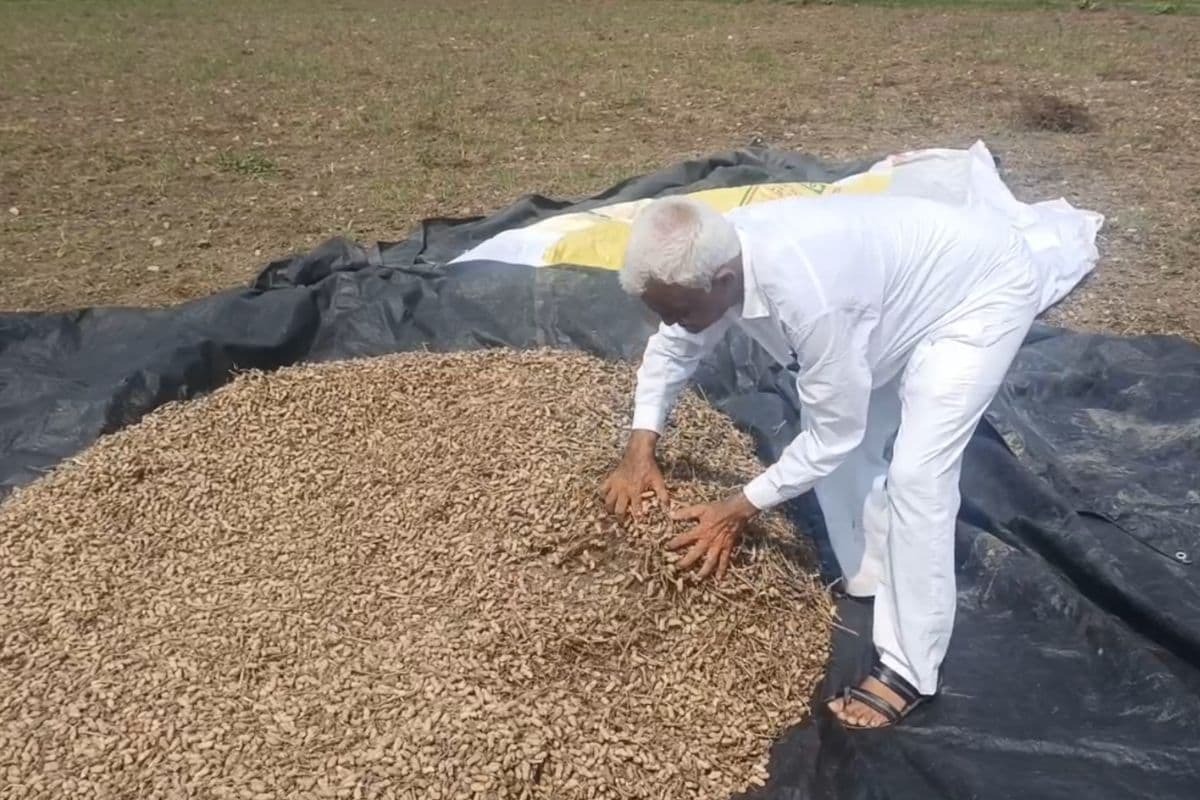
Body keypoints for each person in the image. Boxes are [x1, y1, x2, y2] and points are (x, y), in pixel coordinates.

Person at [600, 193, 1042, 729]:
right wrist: (639, 448)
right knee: (837, 432)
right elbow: (673, 348)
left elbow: (834, 434)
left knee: (918, 475)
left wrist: (738, 507)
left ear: (721, 281)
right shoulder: (704, 263)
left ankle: (909, 668)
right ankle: (875, 577)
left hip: (979, 292)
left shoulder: (812, 297)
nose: (671, 321)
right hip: (894, 291)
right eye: (660, 310)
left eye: (679, 310)